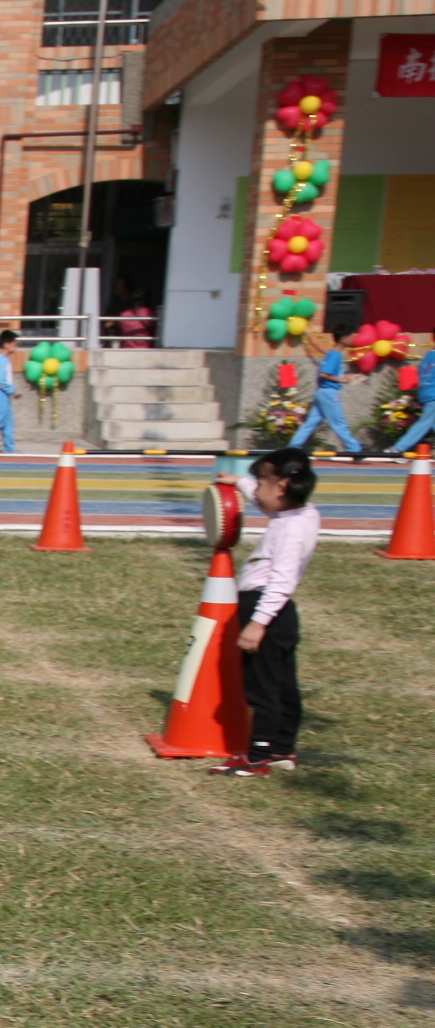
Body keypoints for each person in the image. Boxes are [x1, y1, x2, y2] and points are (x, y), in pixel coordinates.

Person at [209, 448, 319, 777]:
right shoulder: (303, 514)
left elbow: (282, 581)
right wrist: (240, 483)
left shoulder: (289, 530)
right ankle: (283, 749)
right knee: (284, 685)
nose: (255, 490)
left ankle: (256, 757)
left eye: (259, 482)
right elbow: (267, 502)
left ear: (281, 486)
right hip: (281, 615)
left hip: (264, 608)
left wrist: (257, 624)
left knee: (261, 688)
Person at [289, 327, 366, 461]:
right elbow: (324, 373)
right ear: (343, 338)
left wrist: (348, 377)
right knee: (338, 423)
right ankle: (356, 450)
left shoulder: (332, 354)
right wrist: (342, 379)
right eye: (351, 336)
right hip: (329, 393)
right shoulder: (335, 355)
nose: (353, 339)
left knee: (310, 424)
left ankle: (292, 449)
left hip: (322, 392)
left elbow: (327, 373)